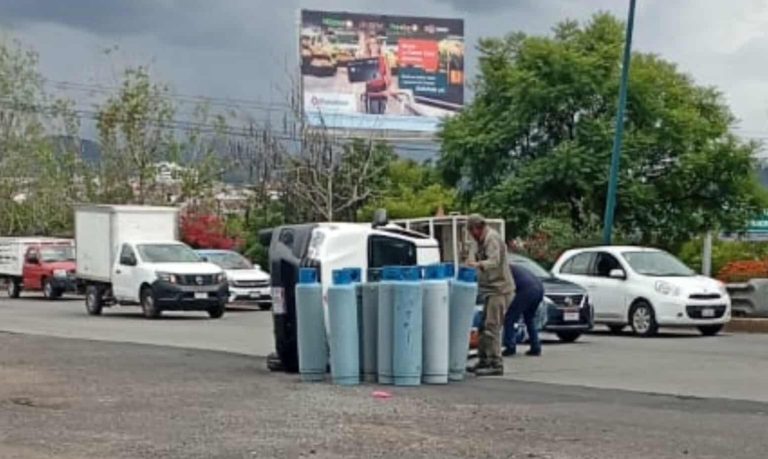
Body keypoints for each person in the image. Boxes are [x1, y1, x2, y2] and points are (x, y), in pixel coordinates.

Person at [466, 214, 516, 376]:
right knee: (482, 326)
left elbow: (494, 261)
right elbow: (472, 254)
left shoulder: (491, 239)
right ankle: (483, 359)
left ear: (477, 228)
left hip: (499, 289)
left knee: (492, 326)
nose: (470, 234)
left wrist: (478, 264)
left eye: (471, 230)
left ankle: (496, 363)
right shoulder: (479, 240)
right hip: (489, 289)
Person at [503, 264, 544, 357]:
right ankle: (536, 346)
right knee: (529, 318)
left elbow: (507, 289)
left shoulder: (505, 271)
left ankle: (510, 346)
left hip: (526, 290)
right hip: (539, 289)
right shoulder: (516, 268)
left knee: (509, 318)